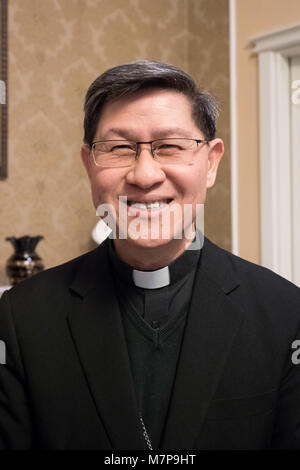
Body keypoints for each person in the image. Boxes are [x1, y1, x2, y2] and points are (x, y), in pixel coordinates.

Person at [0, 60, 300, 450]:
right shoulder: (22, 318)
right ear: (89, 164)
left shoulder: (284, 313)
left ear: (210, 163)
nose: (144, 175)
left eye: (170, 147)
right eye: (119, 148)